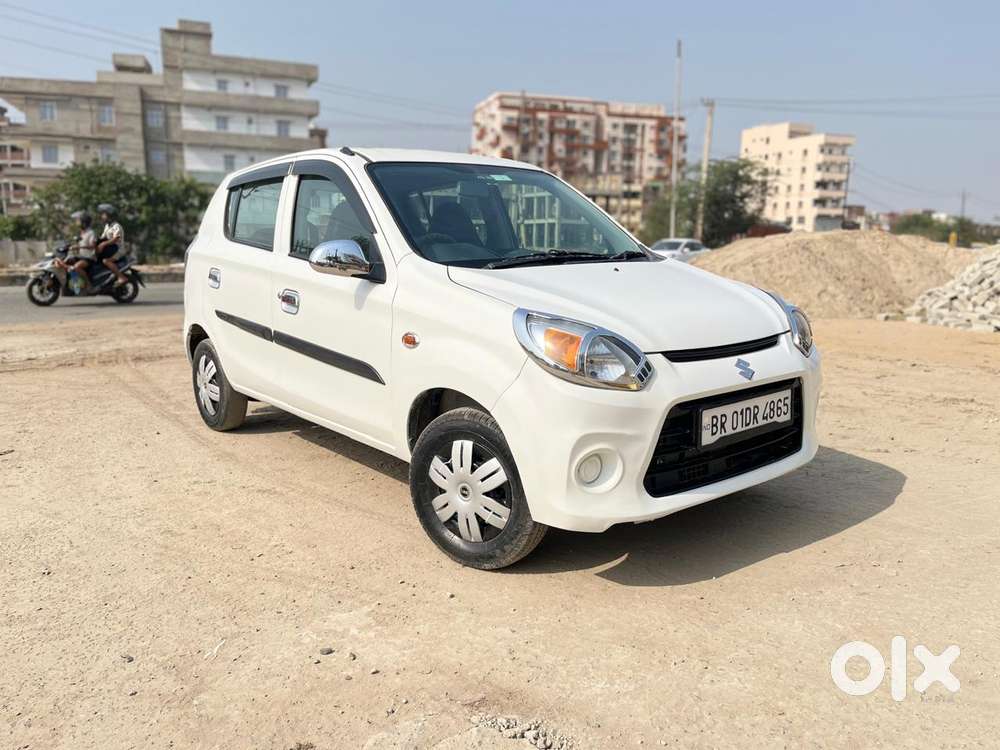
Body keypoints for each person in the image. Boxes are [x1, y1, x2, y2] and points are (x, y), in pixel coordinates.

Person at [56, 211, 97, 291]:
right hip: (81, 256)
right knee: (65, 262)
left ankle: (89, 285)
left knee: (75, 268)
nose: (77, 223)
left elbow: (93, 246)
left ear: (84, 222)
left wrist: (79, 246)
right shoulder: (82, 233)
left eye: (79, 221)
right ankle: (73, 285)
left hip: (89, 258)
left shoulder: (91, 233)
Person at [96, 203, 128, 287]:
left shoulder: (116, 226)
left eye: (104, 214)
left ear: (109, 215)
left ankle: (121, 277)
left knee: (106, 261)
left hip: (118, 250)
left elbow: (116, 238)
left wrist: (103, 244)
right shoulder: (107, 226)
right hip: (111, 249)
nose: (102, 216)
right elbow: (102, 237)